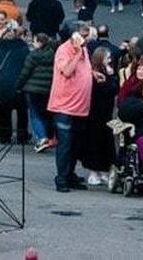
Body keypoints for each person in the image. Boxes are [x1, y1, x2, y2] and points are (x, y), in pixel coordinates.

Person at [47, 24, 94, 192]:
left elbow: (83, 70)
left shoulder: (85, 50)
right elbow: (66, 71)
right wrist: (78, 53)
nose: (86, 36)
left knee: (76, 144)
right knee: (65, 144)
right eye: (83, 33)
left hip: (81, 106)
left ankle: (70, 174)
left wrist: (93, 74)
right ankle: (61, 178)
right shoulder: (64, 50)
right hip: (65, 106)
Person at [0, 21, 30, 144]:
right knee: (22, 113)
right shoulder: (23, 49)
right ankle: (22, 136)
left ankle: (4, 137)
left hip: (3, 85)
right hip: (19, 85)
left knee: (4, 113)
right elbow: (27, 67)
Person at [81, 47, 118, 186]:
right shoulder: (95, 74)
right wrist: (110, 78)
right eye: (107, 57)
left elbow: (114, 89)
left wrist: (111, 76)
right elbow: (107, 90)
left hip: (106, 113)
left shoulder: (108, 72)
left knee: (105, 143)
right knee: (94, 142)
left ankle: (103, 170)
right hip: (94, 113)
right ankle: (93, 171)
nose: (110, 59)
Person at [16, 33, 56, 153]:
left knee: (35, 114)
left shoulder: (33, 56)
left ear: (39, 42)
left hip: (32, 89)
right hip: (47, 89)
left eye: (34, 41)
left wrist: (18, 86)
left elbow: (25, 73)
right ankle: (47, 136)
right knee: (45, 113)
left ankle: (41, 137)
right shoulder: (53, 56)